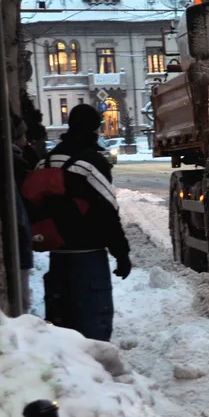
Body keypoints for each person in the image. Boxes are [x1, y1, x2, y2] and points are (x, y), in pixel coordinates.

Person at [23, 104, 131, 341]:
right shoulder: (91, 163)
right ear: (95, 128)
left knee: (62, 329)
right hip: (88, 257)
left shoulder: (47, 162)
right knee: (93, 331)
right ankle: (95, 373)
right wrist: (121, 254)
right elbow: (108, 213)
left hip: (58, 254)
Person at [11, 115, 35, 314]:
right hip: (17, 237)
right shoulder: (16, 162)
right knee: (20, 294)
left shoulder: (16, 158)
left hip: (17, 235)